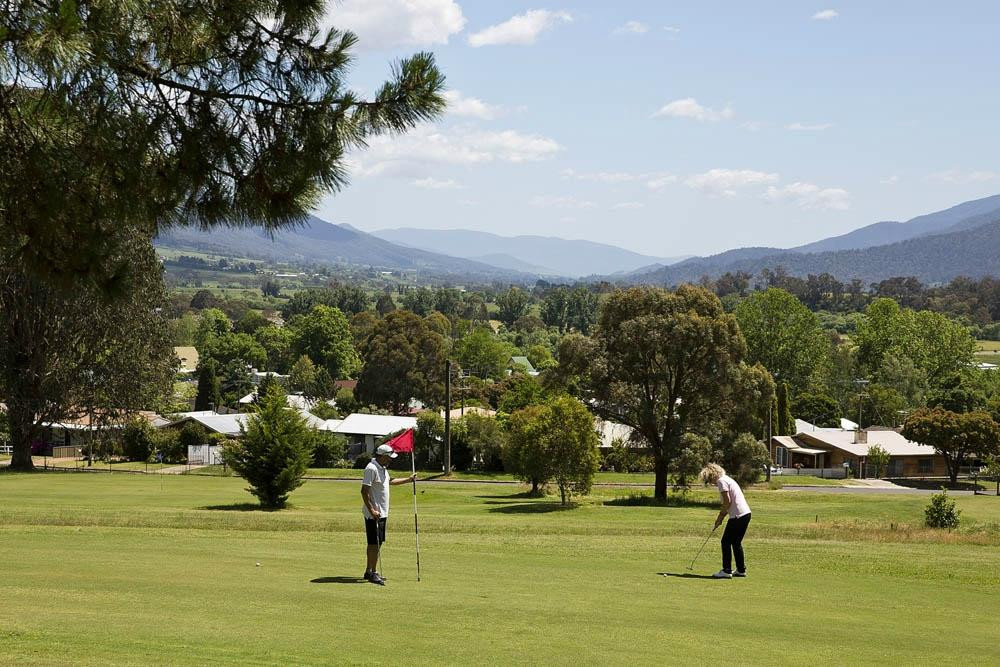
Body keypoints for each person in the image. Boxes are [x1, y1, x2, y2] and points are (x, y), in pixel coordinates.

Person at [361, 443, 416, 585]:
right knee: (374, 544)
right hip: (374, 513)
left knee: (376, 543)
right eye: (389, 457)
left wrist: (408, 480)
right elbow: (364, 491)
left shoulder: (383, 469)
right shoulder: (371, 469)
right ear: (382, 456)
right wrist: (372, 510)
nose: (391, 460)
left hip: (381, 513)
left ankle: (368, 571)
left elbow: (390, 482)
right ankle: (373, 572)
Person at [699, 463, 752, 579]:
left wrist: (720, 518)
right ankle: (741, 570)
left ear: (712, 475)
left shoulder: (721, 481)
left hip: (738, 516)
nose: (710, 483)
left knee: (725, 542)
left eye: (708, 480)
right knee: (736, 542)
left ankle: (727, 570)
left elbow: (727, 502)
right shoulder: (727, 479)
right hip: (745, 514)